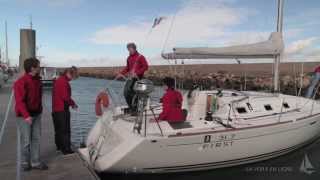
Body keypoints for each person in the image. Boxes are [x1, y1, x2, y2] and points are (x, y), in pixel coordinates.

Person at [13, 58, 48, 171]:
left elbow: (38, 96)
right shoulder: (21, 82)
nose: (40, 67)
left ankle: (35, 161)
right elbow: (19, 101)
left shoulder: (38, 80)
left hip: (37, 114)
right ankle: (25, 162)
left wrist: (40, 110)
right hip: (24, 116)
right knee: (26, 140)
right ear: (32, 68)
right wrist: (26, 116)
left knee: (36, 138)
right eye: (38, 65)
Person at [116, 43, 149, 114]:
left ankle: (135, 108)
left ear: (134, 48)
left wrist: (137, 73)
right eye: (128, 49)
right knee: (125, 93)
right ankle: (132, 107)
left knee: (131, 92)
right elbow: (127, 68)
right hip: (130, 78)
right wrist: (121, 73)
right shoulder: (129, 58)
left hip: (138, 78)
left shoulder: (141, 57)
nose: (129, 51)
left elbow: (145, 67)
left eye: (130, 49)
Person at [52, 67, 78, 155]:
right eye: (73, 76)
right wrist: (73, 104)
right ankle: (66, 149)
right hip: (62, 110)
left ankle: (59, 146)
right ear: (69, 73)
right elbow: (65, 97)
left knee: (58, 130)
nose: (73, 79)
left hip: (56, 109)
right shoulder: (63, 82)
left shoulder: (59, 80)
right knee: (65, 130)